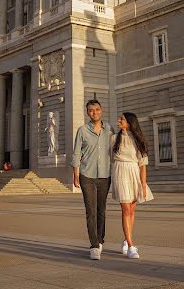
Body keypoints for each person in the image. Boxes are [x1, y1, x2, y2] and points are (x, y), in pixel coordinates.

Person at [71, 99, 113, 261]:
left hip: (105, 175)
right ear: (87, 113)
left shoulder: (109, 129)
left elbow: (115, 150)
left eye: (96, 109)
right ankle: (94, 245)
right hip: (86, 175)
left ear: (101, 110)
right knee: (90, 210)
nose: (94, 112)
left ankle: (101, 239)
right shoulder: (82, 130)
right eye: (90, 110)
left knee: (101, 210)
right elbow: (76, 154)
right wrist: (75, 175)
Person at [111, 112, 154, 259]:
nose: (119, 120)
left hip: (134, 173)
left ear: (129, 122)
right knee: (126, 209)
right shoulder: (113, 138)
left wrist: (143, 184)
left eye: (121, 119)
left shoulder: (138, 140)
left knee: (131, 211)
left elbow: (143, 165)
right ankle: (130, 245)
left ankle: (125, 239)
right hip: (120, 173)